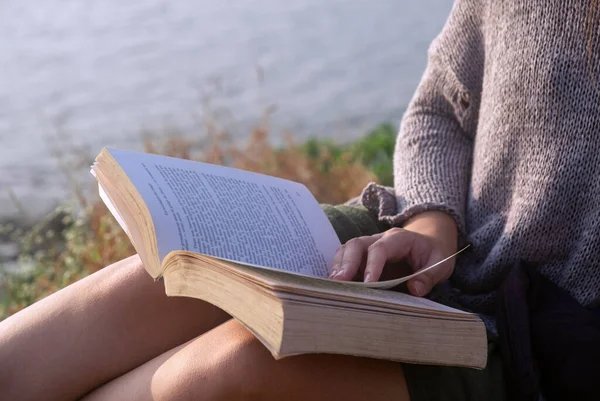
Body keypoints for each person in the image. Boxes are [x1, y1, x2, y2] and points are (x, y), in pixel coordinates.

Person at [2, 0, 599, 399]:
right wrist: (430, 219)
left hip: (550, 338)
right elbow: (441, 105)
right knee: (133, 295)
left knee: (218, 375)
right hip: (418, 245)